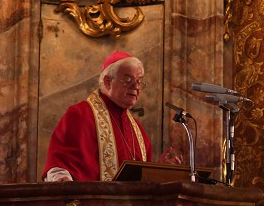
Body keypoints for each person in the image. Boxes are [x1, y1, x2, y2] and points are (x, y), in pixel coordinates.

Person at [43, 51, 179, 182]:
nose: (136, 87)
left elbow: (139, 182)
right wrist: (62, 179)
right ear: (108, 82)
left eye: (139, 81)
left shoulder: (138, 131)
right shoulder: (80, 115)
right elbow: (58, 164)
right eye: (128, 79)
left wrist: (160, 170)